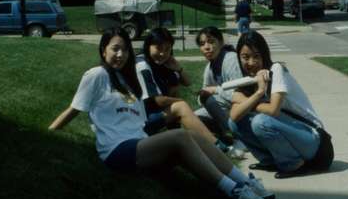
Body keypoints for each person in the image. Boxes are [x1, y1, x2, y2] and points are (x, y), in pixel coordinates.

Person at [49, 27, 274, 199]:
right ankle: (233, 192)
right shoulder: (97, 75)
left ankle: (245, 182)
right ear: (103, 49)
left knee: (195, 137)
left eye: (125, 50)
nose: (120, 55)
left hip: (139, 144)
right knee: (181, 135)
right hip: (117, 150)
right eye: (115, 49)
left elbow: (146, 113)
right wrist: (49, 134)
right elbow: (74, 109)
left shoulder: (128, 81)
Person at [229, 30, 324, 178]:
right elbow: (233, 116)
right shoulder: (248, 79)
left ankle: (294, 164)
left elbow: (273, 110)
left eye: (256, 56)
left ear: (265, 55)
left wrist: (258, 93)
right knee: (236, 122)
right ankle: (269, 161)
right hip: (295, 136)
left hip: (313, 140)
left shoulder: (276, 70)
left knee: (260, 121)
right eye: (245, 57)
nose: (251, 62)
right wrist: (256, 94)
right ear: (239, 57)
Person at [136, 27, 230, 152]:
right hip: (140, 121)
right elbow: (158, 100)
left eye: (167, 49)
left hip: (155, 114)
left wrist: (178, 68)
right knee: (180, 106)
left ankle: (176, 137)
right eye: (158, 48)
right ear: (148, 46)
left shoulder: (161, 63)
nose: (163, 53)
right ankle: (217, 145)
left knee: (174, 87)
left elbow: (187, 82)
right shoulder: (142, 64)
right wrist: (181, 103)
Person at [195, 26, 247, 158]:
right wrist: (204, 96)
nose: (207, 47)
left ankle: (240, 138)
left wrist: (212, 93)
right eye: (202, 44)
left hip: (242, 106)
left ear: (221, 42)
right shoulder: (210, 66)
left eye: (211, 42)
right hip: (224, 106)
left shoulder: (230, 59)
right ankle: (223, 137)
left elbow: (240, 93)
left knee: (208, 99)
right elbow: (204, 90)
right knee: (193, 117)